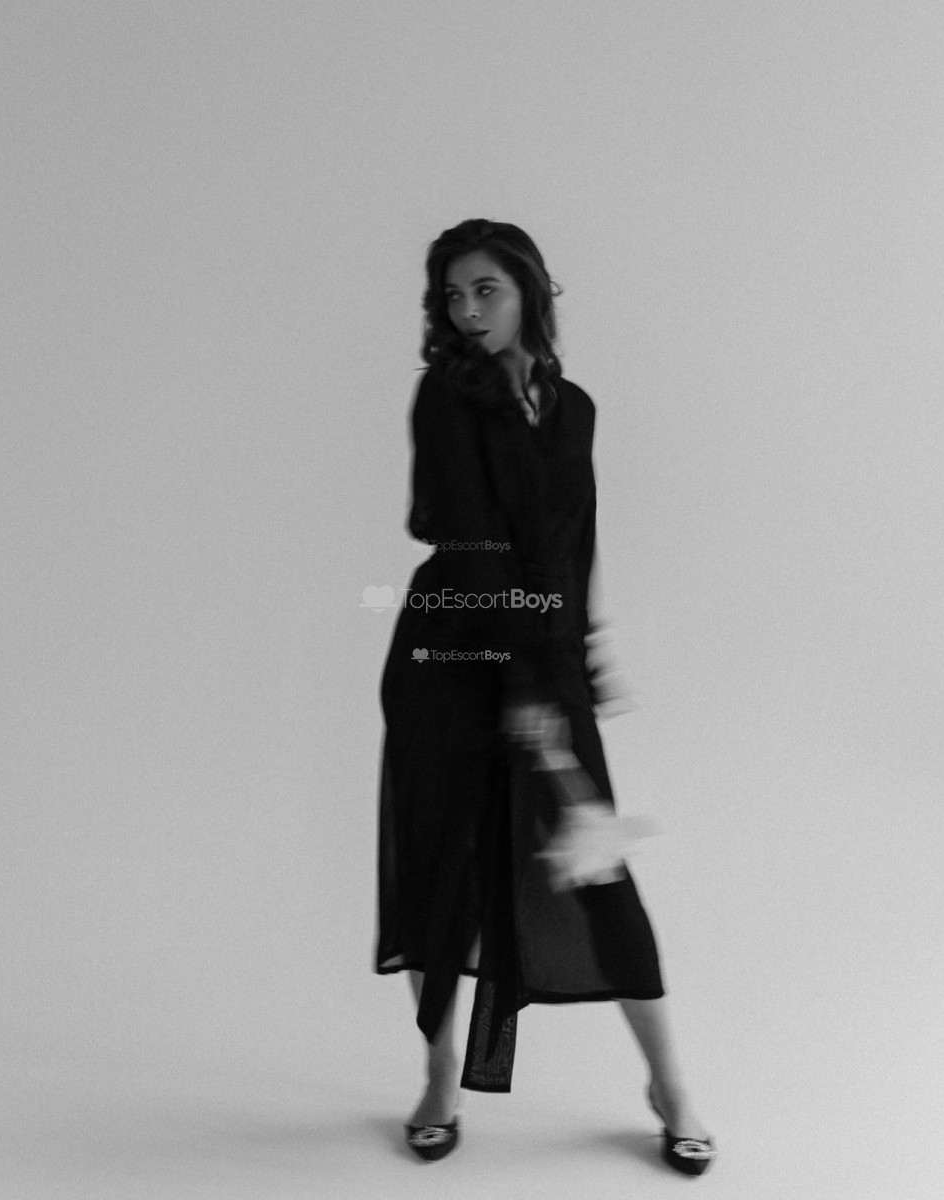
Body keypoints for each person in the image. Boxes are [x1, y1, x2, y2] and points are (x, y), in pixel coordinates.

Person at [374, 218, 716, 1174]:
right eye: (452, 295)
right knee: (442, 873)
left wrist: (578, 657)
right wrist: (518, 674)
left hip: (542, 657)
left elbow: (576, 540)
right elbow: (469, 541)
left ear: (529, 289)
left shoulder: (575, 409)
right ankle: (440, 1076)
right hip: (451, 657)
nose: (467, 311)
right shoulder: (446, 398)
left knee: (596, 870)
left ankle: (669, 1086)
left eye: (485, 289)